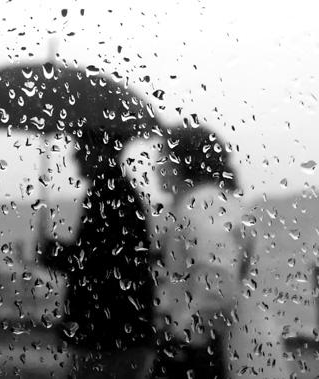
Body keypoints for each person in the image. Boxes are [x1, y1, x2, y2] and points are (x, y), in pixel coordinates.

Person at [149, 125, 287, 378]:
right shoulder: (212, 201)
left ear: (182, 162)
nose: (156, 169)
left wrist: (187, 339)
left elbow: (217, 281)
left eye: (162, 159)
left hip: (208, 351)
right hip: (222, 345)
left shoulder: (204, 203)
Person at [40, 128, 155, 378]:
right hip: (120, 330)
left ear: (101, 151)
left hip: (108, 334)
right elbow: (100, 255)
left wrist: (53, 255)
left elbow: (97, 264)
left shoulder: (109, 193)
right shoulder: (115, 191)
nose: (73, 158)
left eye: (79, 149)